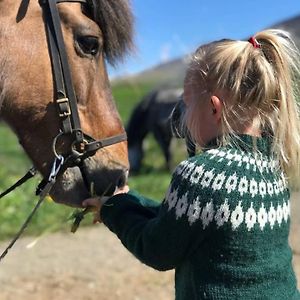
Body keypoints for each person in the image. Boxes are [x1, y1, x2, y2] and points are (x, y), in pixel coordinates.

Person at [83, 29, 300, 299]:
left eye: (186, 105)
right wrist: (129, 200)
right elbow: (190, 219)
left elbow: (158, 248)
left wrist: (113, 211)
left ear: (213, 108)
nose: (183, 119)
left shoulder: (202, 174)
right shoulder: (273, 170)